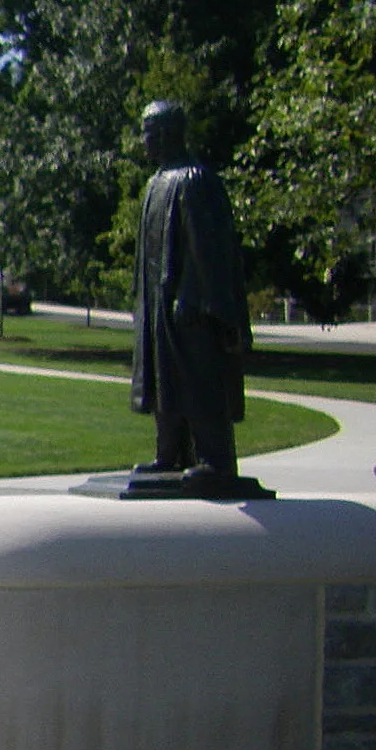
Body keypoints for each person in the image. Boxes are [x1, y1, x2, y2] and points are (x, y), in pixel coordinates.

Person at [130, 101, 251, 487]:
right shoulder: (155, 184)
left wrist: (197, 298)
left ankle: (216, 460)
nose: (144, 141)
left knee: (197, 380)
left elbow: (209, 249)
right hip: (157, 305)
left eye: (148, 132)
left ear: (166, 133)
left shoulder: (194, 179)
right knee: (162, 381)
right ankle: (170, 454)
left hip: (188, 308)